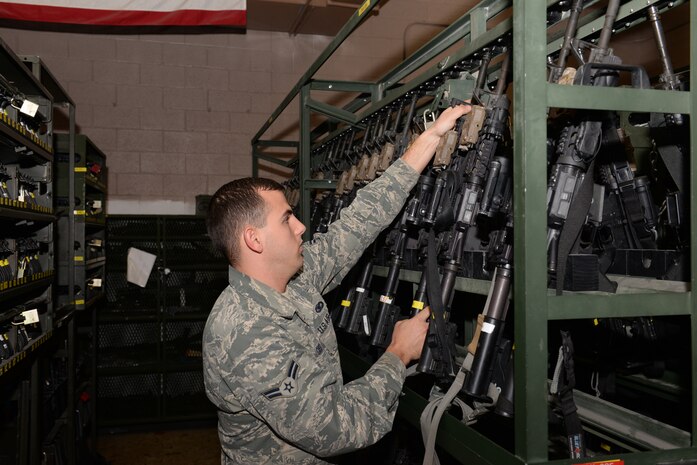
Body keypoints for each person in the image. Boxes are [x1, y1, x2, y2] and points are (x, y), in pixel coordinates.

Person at [203, 104, 471, 465]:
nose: (300, 227)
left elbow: (356, 224)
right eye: (286, 220)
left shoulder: (292, 281)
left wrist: (429, 140)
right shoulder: (245, 333)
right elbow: (336, 428)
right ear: (254, 240)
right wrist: (397, 354)